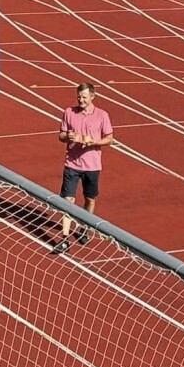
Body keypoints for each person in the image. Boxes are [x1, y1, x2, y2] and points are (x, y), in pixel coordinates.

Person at [52, 84, 115, 255]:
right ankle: (65, 238)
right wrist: (69, 137)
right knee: (67, 201)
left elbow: (109, 139)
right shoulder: (69, 112)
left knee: (90, 199)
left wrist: (92, 141)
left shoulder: (102, 115)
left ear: (93, 97)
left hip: (92, 165)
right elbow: (61, 136)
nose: (81, 100)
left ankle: (85, 227)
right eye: (79, 97)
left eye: (84, 97)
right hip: (71, 164)